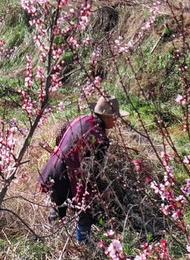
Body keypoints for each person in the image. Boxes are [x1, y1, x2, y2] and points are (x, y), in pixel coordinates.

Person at [39, 96, 128, 244]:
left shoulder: (81, 119)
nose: (116, 121)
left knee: (57, 206)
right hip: (70, 176)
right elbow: (94, 168)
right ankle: (84, 248)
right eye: (114, 117)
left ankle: (49, 244)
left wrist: (59, 149)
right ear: (105, 116)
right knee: (85, 213)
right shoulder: (99, 136)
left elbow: (61, 131)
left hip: (53, 168)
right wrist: (101, 188)